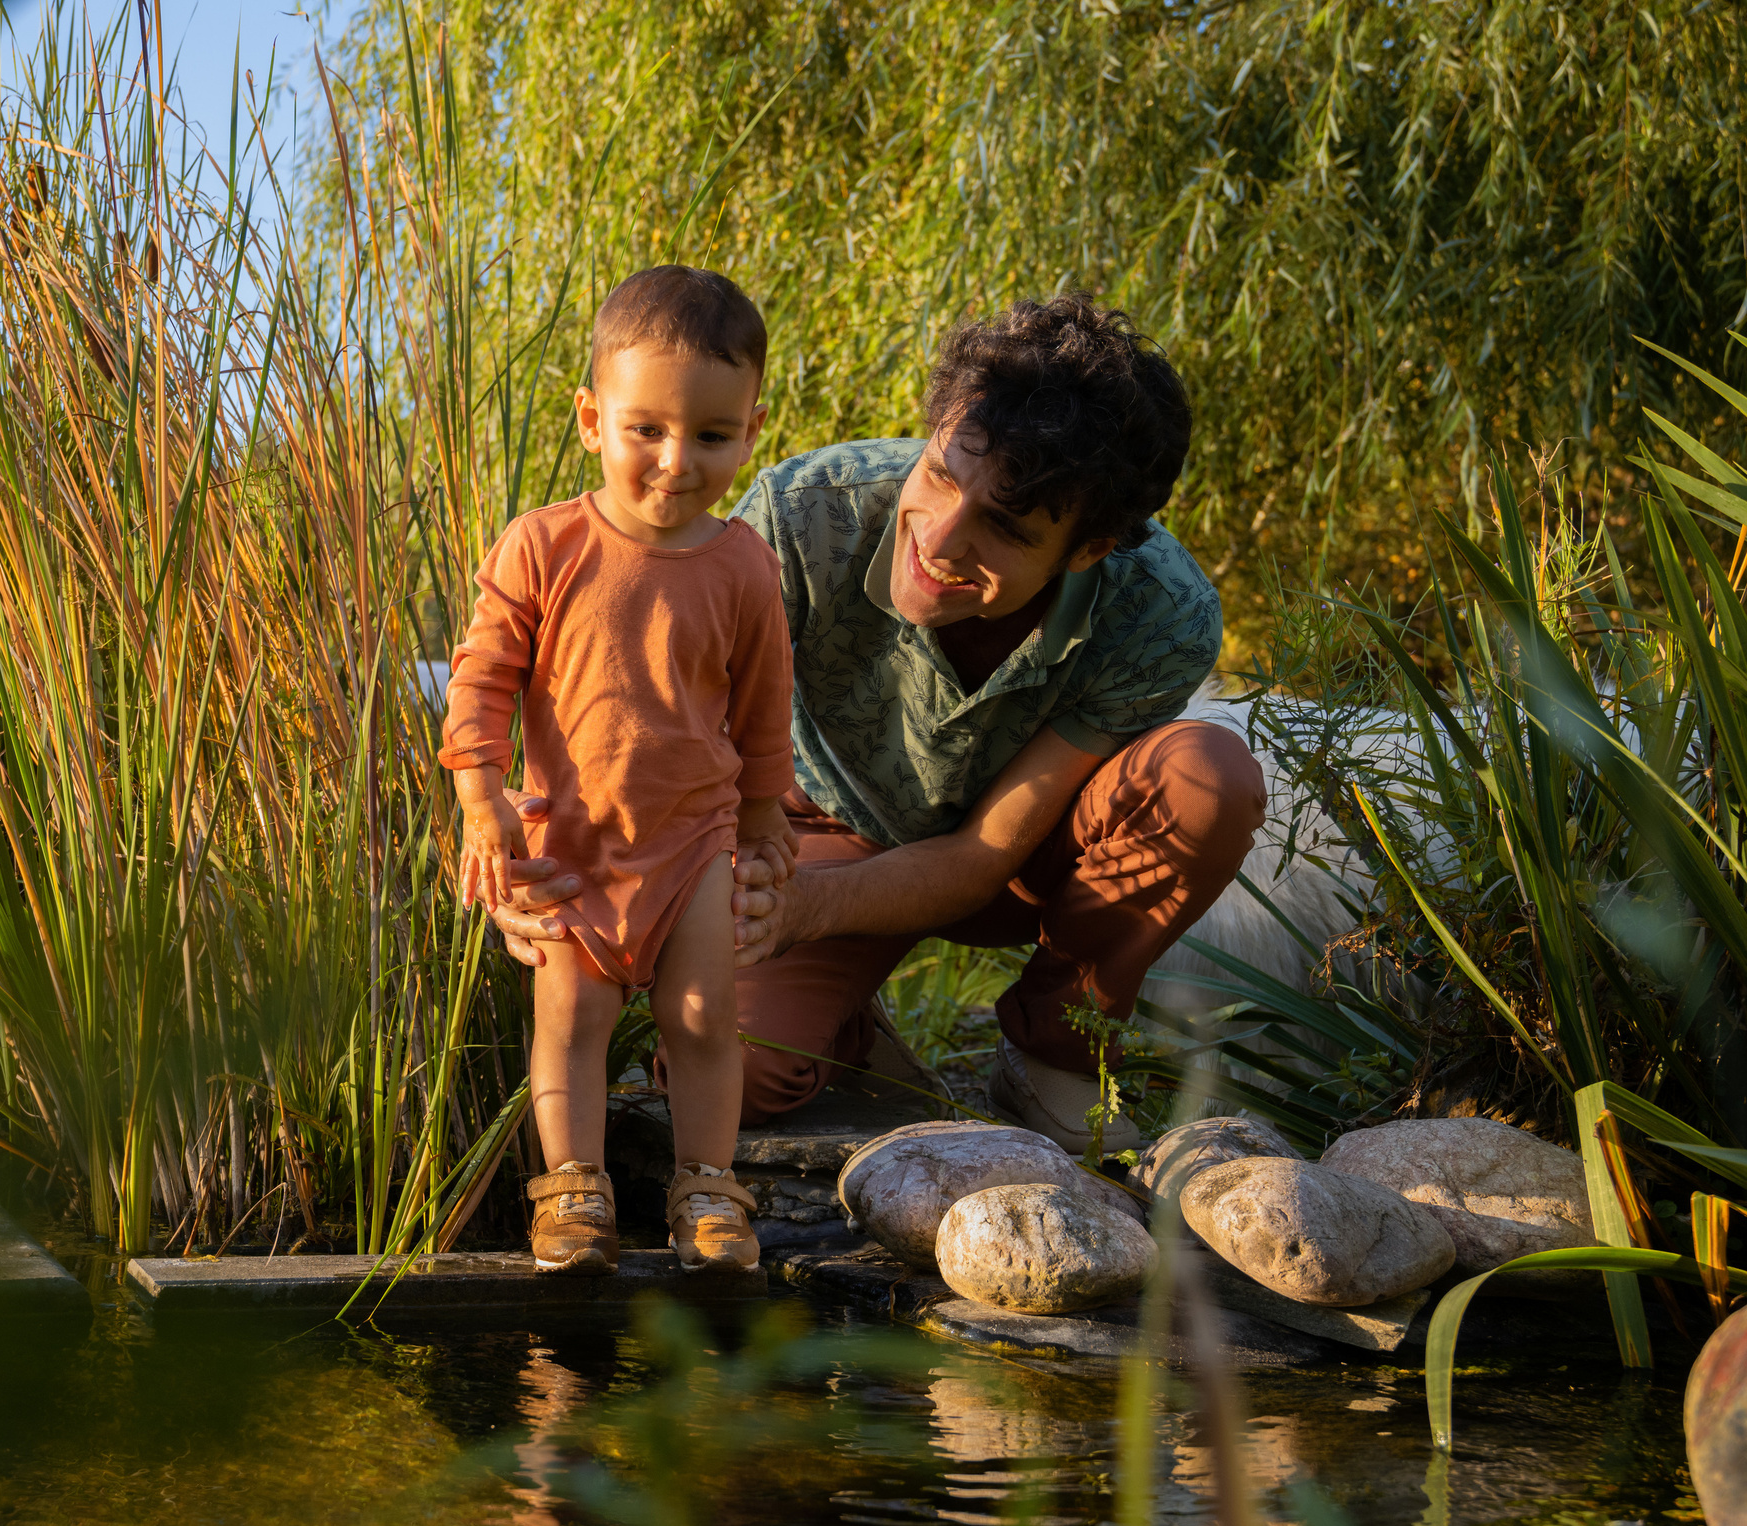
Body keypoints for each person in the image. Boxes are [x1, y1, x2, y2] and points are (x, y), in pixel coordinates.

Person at [476, 293, 1265, 1151]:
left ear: (1089, 548)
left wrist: (803, 911)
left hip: (1015, 860)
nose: (941, 538)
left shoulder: (1161, 614)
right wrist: (524, 837)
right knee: (742, 1068)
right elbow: (634, 717)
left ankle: (1052, 1055)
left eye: (1002, 528)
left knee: (1206, 779)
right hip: (810, 825)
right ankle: (850, 1027)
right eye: (941, 476)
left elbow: (983, 854)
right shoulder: (801, 517)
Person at [440, 265, 795, 1275]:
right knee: (574, 1013)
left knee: (703, 1014)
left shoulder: (743, 567)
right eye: (646, 429)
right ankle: (573, 1189)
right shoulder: (542, 546)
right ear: (592, 419)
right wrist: (479, 797)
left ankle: (707, 1187)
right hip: (572, 837)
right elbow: (479, 681)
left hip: (693, 838)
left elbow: (764, 708)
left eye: (712, 436)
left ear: (750, 430)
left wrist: (766, 821)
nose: (676, 462)